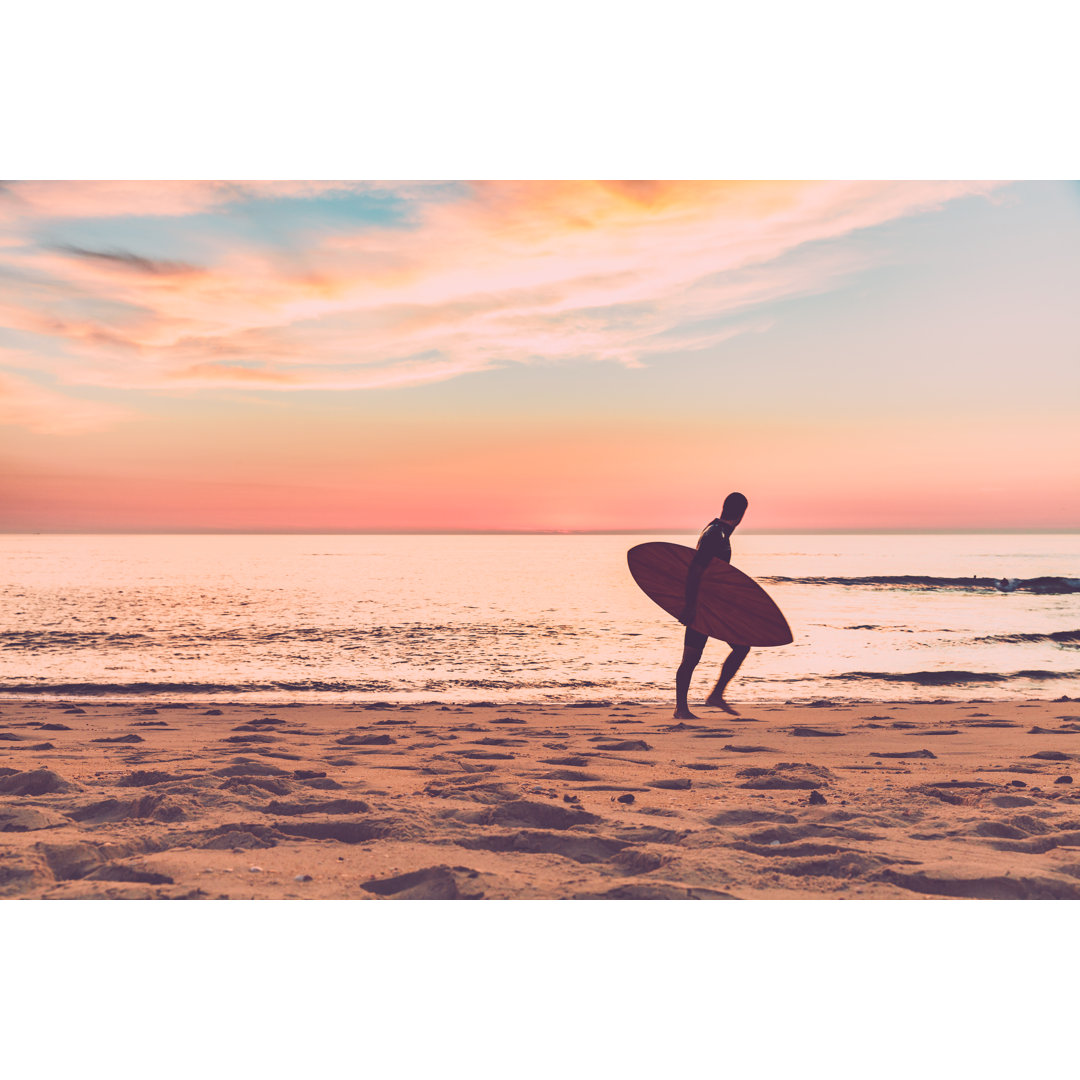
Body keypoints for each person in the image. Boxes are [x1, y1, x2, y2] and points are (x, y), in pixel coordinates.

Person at [674, 492, 750, 719]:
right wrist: (689, 606)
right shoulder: (715, 534)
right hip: (703, 606)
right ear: (742, 514)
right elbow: (695, 569)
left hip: (712, 605)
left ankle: (711, 696)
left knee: (738, 647)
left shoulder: (717, 531)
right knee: (691, 657)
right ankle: (685, 707)